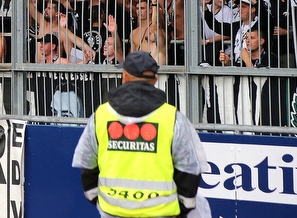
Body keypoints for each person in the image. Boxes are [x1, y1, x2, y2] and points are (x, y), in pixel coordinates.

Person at [72, 51, 208, 218]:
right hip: (161, 212)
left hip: (113, 211)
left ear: (125, 76)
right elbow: (189, 169)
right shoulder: (173, 117)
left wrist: (99, 201)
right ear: (155, 80)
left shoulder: (101, 114)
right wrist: (182, 209)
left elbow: (87, 164)